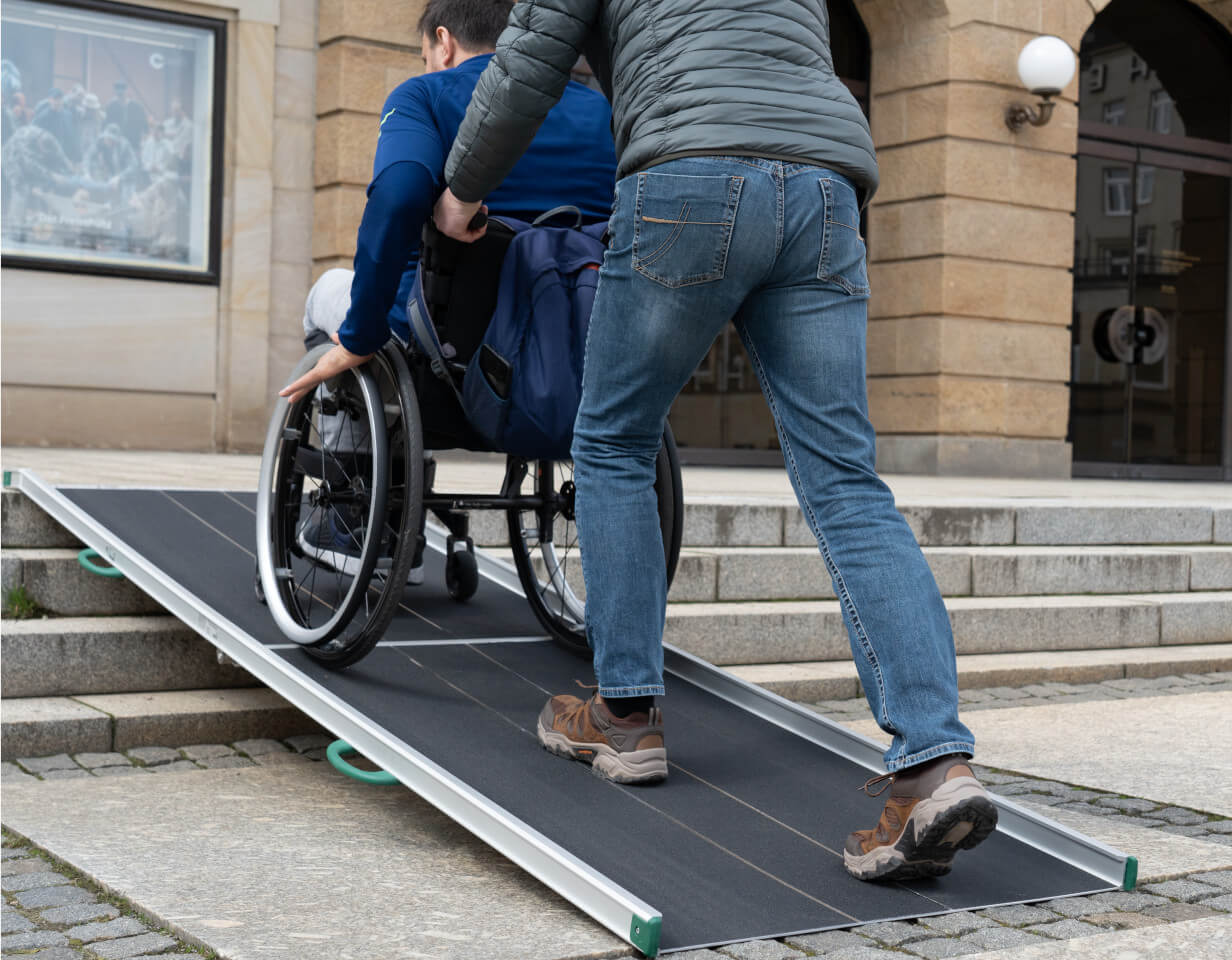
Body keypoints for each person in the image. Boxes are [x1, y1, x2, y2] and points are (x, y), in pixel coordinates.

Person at [429, 0, 998, 884]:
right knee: (846, 482)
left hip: (688, 179)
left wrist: (462, 191)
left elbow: (530, 58)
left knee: (614, 443)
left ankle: (625, 717)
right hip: (822, 189)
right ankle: (934, 763)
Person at [279, 0, 616, 583]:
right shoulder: (600, 112)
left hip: (444, 365)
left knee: (328, 293)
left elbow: (400, 196)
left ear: (444, 42)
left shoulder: (425, 96)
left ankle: (356, 511)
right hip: (574, 357)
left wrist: (359, 334)